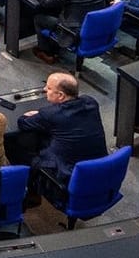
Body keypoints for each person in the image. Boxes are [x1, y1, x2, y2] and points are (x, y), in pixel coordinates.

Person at [12, 72, 107, 201]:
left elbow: (23, 123)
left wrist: (33, 114)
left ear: (61, 95)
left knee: (17, 148)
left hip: (67, 175)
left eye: (49, 88)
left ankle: (30, 194)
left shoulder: (50, 114)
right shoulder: (90, 102)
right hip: (100, 170)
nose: (44, 89)